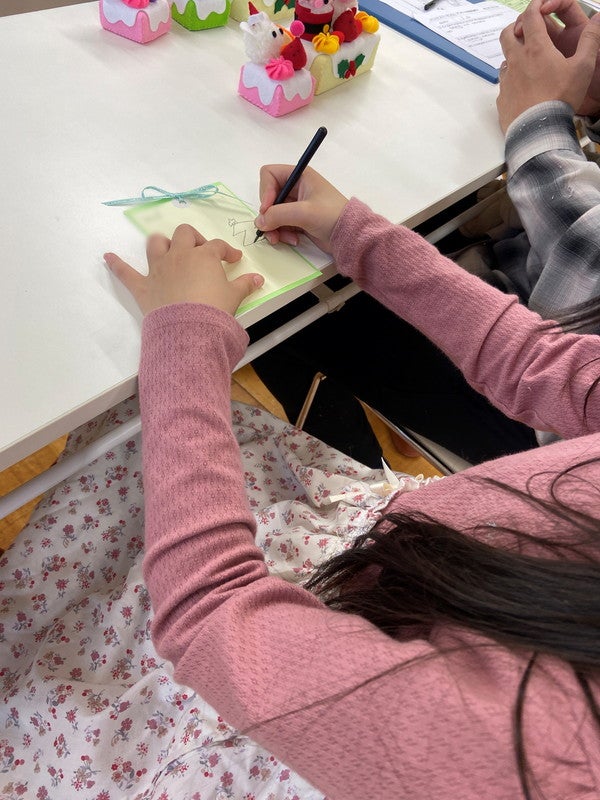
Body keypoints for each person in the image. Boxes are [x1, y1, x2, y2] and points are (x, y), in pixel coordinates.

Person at [98, 7, 600, 795]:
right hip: (395, 578)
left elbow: (211, 621)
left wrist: (184, 336)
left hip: (252, 696)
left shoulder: (535, 753)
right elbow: (543, 361)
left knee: (104, 463)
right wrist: (357, 235)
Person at [246, 0, 600, 467]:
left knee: (274, 307)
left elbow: (547, 366)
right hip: (538, 317)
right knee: (415, 214)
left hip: (542, 404)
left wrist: (538, 122)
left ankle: (353, 466)